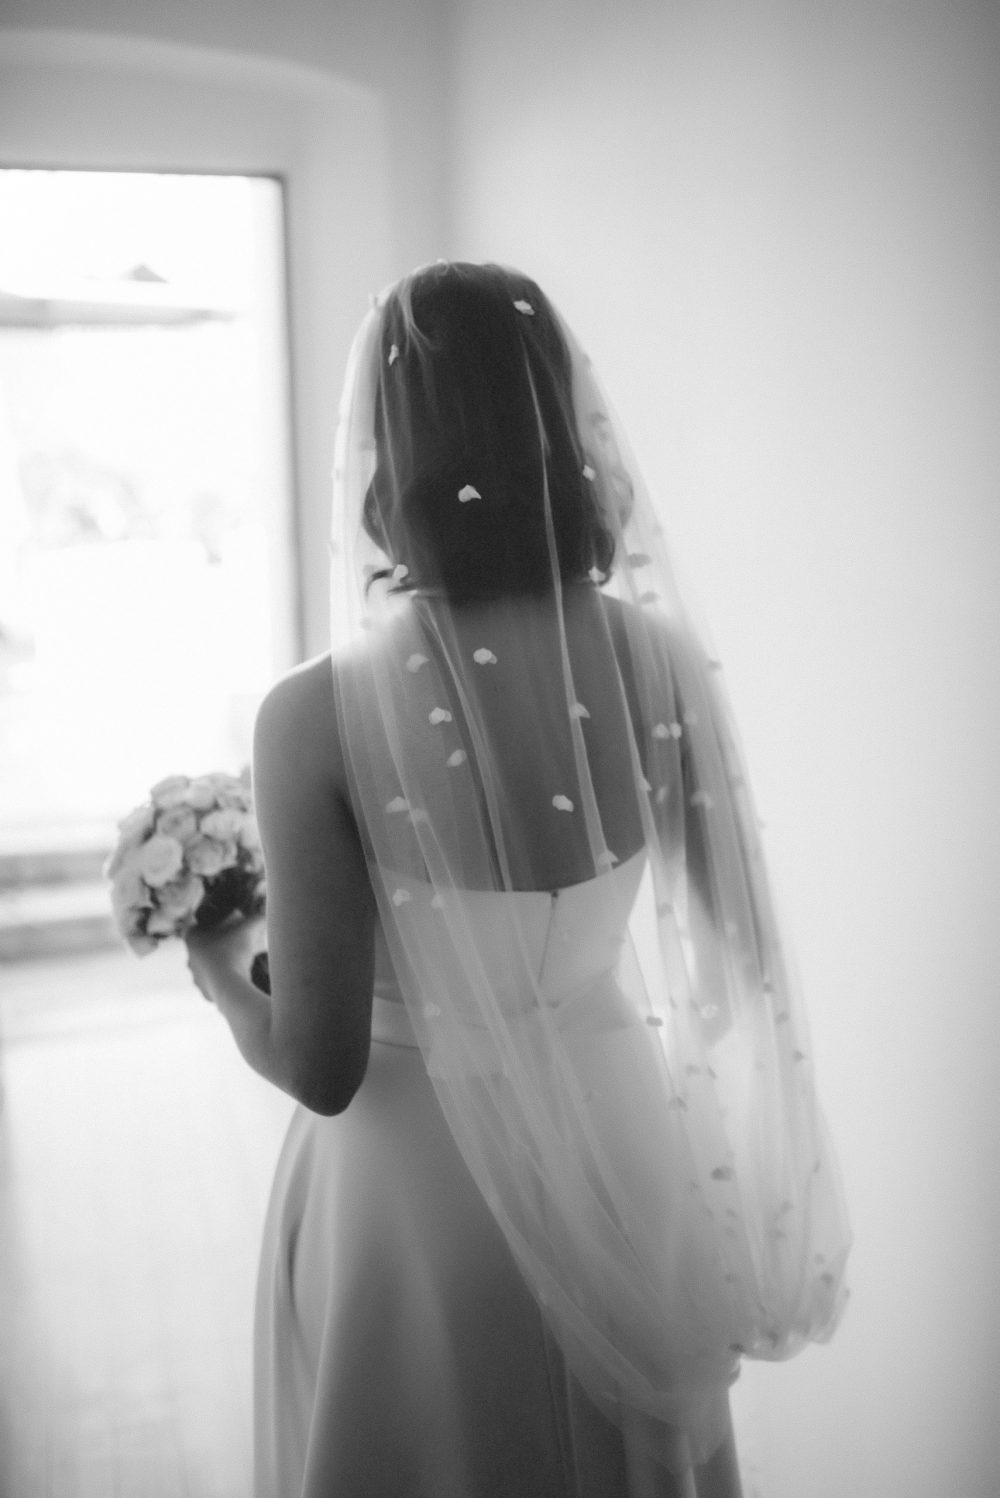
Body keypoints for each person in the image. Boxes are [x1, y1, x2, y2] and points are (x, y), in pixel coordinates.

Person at [186, 262, 850, 1498]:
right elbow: (739, 946)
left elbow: (322, 1067)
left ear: (386, 450)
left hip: (416, 1200)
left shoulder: (315, 715)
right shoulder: (655, 657)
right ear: (561, 423)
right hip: (625, 1153)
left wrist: (222, 970)